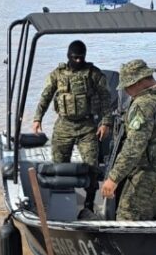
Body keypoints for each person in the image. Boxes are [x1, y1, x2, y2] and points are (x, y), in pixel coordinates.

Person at [32, 40, 113, 211]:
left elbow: (106, 98)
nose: (78, 61)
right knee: (59, 164)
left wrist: (106, 122)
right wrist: (37, 118)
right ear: (68, 56)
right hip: (64, 125)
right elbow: (46, 96)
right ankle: (61, 199)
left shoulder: (93, 74)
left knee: (91, 165)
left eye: (81, 58)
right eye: (75, 58)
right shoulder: (58, 74)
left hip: (87, 126)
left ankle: (89, 203)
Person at [100, 59, 156, 221]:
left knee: (128, 219)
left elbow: (133, 147)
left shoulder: (144, 104)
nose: (126, 91)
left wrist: (113, 178)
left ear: (139, 81)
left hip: (150, 176)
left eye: (128, 86)